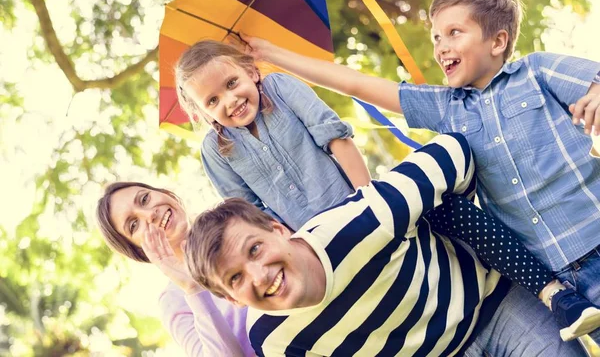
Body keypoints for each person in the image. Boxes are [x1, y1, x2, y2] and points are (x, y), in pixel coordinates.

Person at [237, 0, 600, 342]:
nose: (441, 48)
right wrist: (271, 55)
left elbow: (595, 81)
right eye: (436, 39)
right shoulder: (446, 107)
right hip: (556, 280)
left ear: (498, 41)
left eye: (453, 33)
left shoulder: (537, 73)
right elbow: (356, 84)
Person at [184, 133, 584, 356]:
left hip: (491, 307)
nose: (259, 275)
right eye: (235, 278)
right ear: (231, 299)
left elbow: (454, 151)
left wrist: (445, 215)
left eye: (254, 249)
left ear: (278, 229)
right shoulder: (273, 339)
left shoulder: (365, 220)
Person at [174, 40, 371, 230]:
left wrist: (370, 198)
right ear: (203, 114)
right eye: (213, 101)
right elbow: (249, 215)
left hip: (355, 207)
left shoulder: (279, 88)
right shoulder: (214, 151)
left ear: (250, 72)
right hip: (311, 245)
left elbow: (334, 135)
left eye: (232, 83)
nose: (230, 101)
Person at [96, 182, 252, 356]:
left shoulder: (234, 221)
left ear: (165, 193)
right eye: (133, 225)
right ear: (139, 250)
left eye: (145, 198)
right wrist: (194, 289)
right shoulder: (173, 302)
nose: (150, 215)